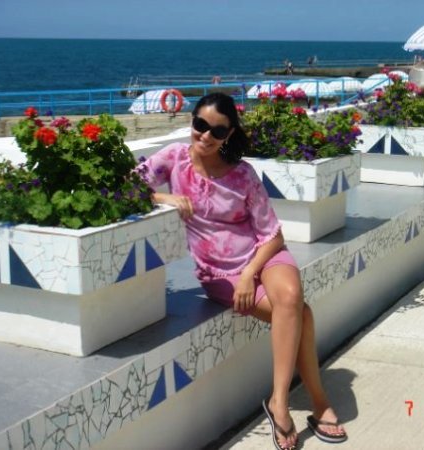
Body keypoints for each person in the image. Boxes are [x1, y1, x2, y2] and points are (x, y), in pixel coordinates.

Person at [135, 93, 347, 449]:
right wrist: (162, 197)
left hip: (263, 258)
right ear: (192, 121)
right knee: (301, 313)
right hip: (220, 274)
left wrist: (250, 274)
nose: (206, 136)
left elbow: (272, 236)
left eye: (217, 131)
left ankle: (279, 402)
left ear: (229, 134)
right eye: (200, 125)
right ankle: (319, 402)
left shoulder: (242, 174)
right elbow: (125, 187)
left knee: (291, 297)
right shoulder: (174, 158)